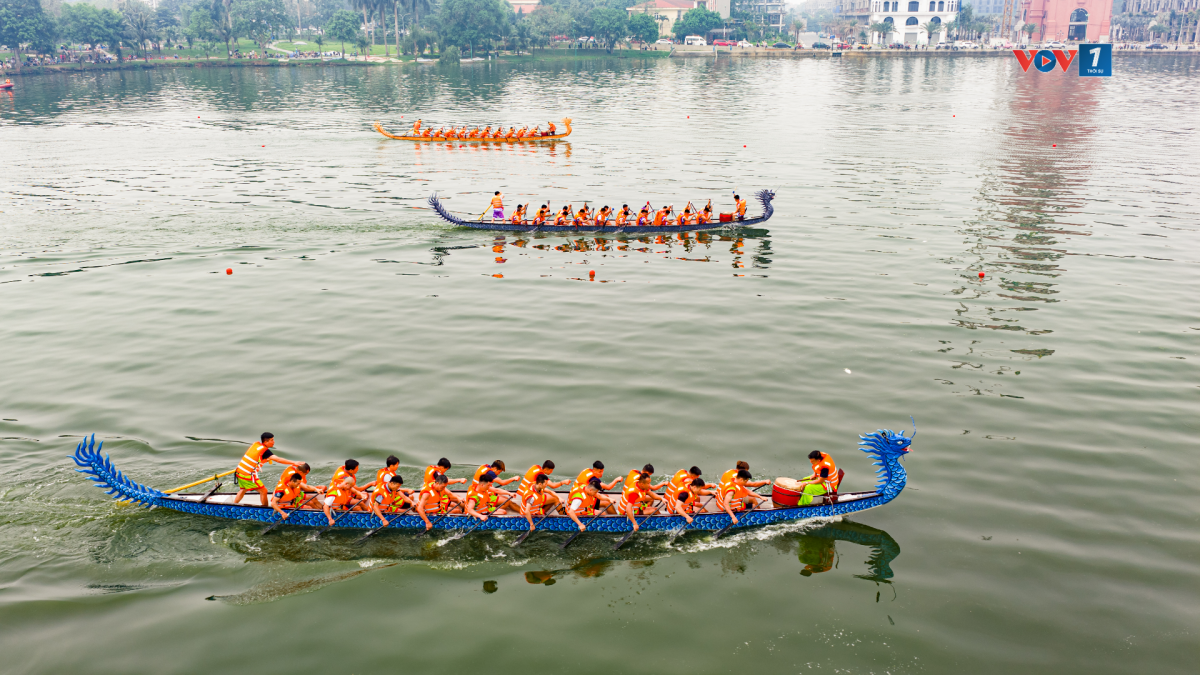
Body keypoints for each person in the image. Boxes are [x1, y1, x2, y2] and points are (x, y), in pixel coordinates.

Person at [234, 433, 301, 506]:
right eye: (272, 440)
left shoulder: (256, 444)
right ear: (265, 442)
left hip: (239, 472)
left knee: (243, 489)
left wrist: (266, 459)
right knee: (264, 491)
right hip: (247, 475)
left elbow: (256, 456)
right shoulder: (265, 451)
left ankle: (234, 505)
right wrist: (294, 462)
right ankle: (265, 509)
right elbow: (278, 460)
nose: (274, 442)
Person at [323, 459, 368, 526]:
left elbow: (354, 490)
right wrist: (330, 519)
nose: (350, 489)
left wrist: (361, 494)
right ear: (346, 484)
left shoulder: (344, 484)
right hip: (336, 510)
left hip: (343, 503)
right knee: (357, 508)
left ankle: (368, 515)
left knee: (362, 500)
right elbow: (325, 506)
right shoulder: (334, 493)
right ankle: (366, 520)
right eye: (350, 487)